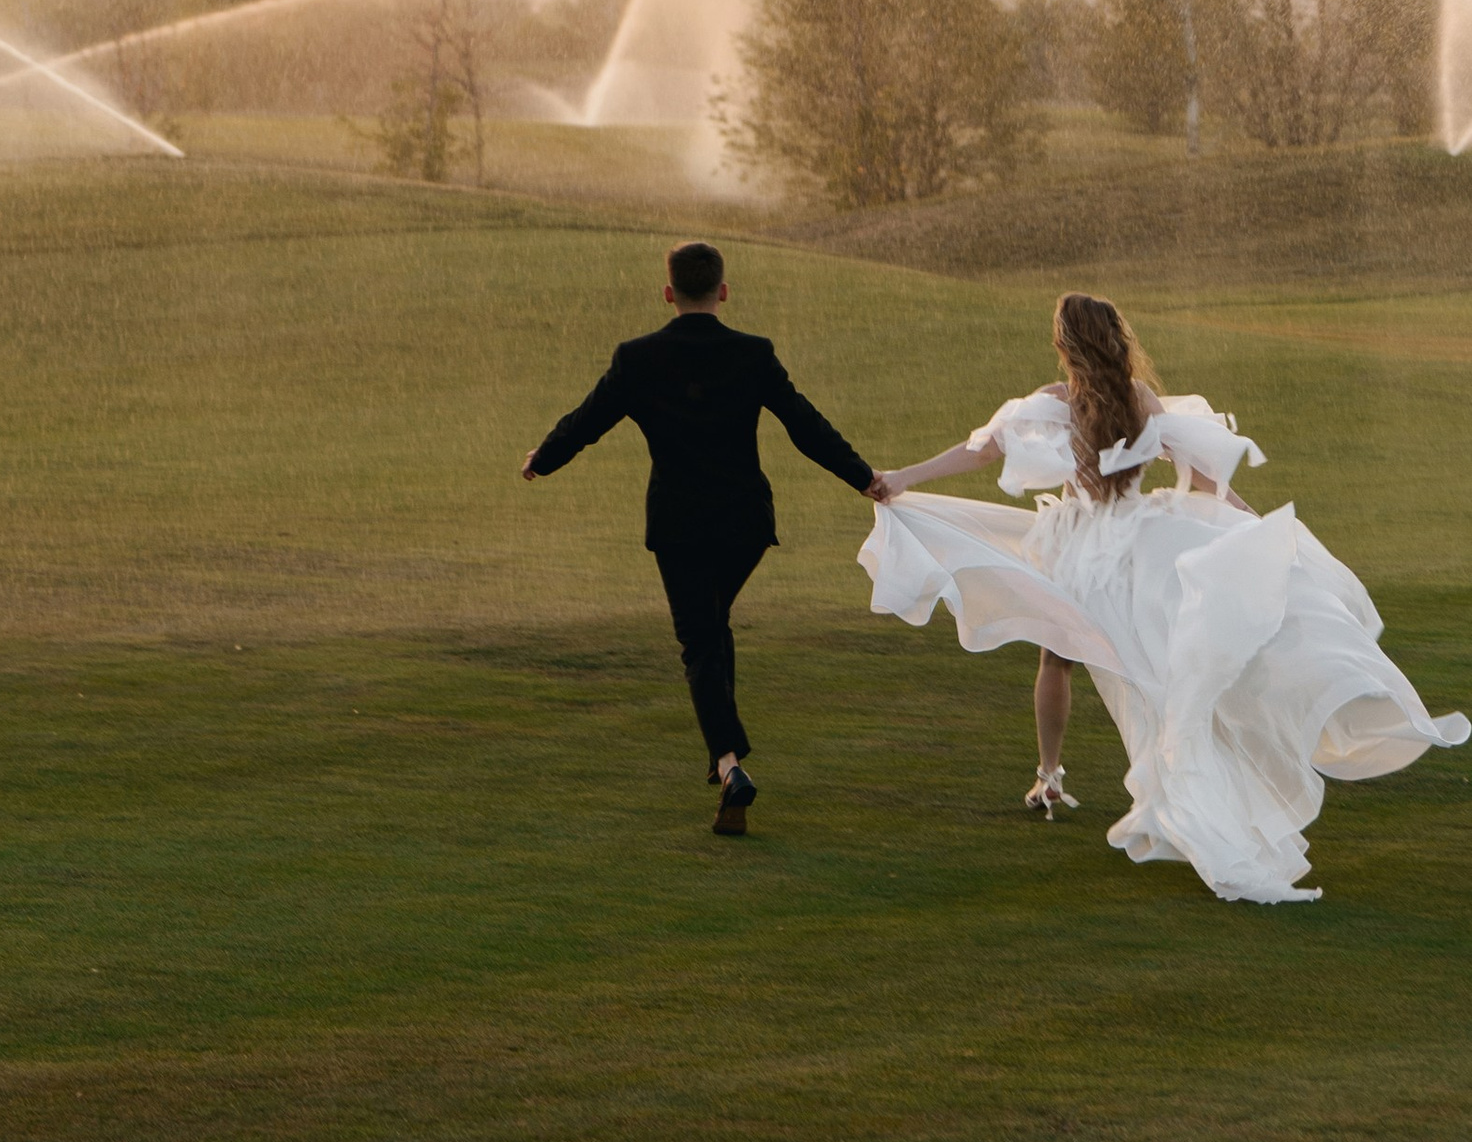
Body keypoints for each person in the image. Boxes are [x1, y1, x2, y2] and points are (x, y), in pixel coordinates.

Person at [863, 291, 1467, 906]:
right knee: (1157, 671)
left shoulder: (1055, 401)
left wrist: (903, 478)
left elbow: (981, 451)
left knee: (1060, 658)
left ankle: (1053, 774)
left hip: (1079, 551)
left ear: (1065, 343)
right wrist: (1254, 527)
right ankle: (1167, 779)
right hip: (1139, 544)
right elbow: (1203, 480)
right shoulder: (1139, 399)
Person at [522, 239, 876, 836]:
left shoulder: (638, 358)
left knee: (699, 640)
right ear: (723, 291)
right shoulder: (753, 353)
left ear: (668, 293)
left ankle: (730, 764)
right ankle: (726, 764)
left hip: (679, 523)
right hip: (744, 523)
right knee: (712, 628)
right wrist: (862, 477)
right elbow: (804, 424)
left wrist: (544, 458)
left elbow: (588, 421)